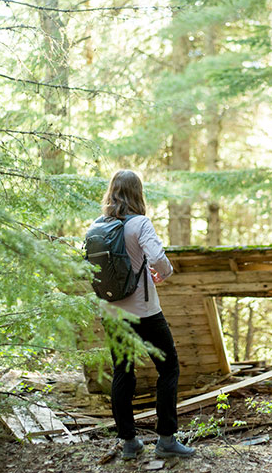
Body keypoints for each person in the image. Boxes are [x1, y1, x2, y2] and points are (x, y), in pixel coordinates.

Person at [92, 169, 195, 460]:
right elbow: (158, 259)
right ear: (138, 193)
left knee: (122, 373)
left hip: (111, 312)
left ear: (112, 192)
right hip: (145, 311)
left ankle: (128, 442)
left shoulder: (97, 225)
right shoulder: (140, 223)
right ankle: (166, 439)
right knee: (169, 368)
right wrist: (165, 273)